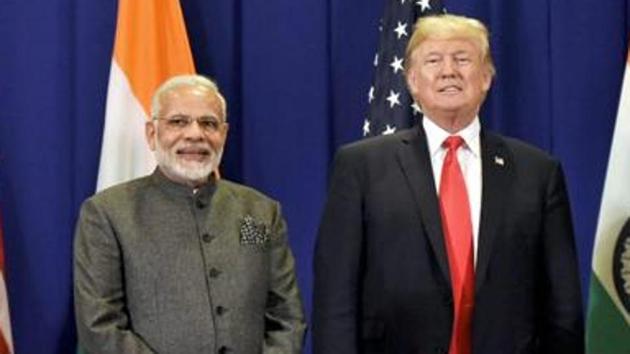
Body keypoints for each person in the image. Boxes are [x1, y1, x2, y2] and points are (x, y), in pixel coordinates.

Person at [313, 14, 584, 354]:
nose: (448, 71)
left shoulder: (538, 172)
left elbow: (563, 304)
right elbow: (335, 295)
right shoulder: (361, 166)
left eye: (462, 58)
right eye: (433, 60)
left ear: (486, 77)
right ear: (412, 80)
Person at [74, 75, 306, 354]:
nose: (195, 134)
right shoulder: (108, 213)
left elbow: (287, 317)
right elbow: (100, 326)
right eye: (178, 122)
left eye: (209, 123)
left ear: (224, 134)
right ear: (152, 133)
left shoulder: (259, 211)